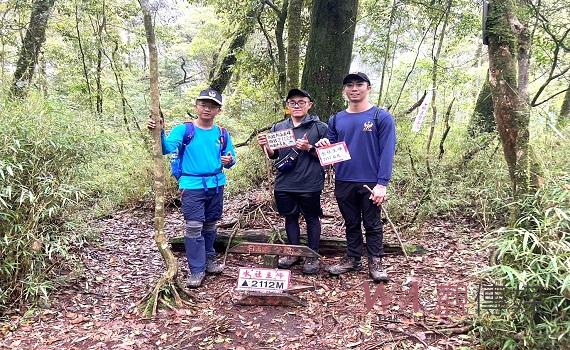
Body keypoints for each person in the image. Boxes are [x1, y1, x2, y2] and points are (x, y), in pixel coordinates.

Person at [147, 88, 236, 288]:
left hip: (216, 184)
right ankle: (197, 269)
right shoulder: (184, 129)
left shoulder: (222, 133)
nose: (207, 109)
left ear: (218, 110)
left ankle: (209, 259)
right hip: (192, 185)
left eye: (212, 106)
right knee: (194, 227)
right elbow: (165, 148)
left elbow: (231, 158)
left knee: (211, 224)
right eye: (204, 105)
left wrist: (229, 160)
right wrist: (159, 131)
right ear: (196, 107)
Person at [315, 72, 396, 282]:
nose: (354, 88)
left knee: (372, 223)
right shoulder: (336, 118)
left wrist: (382, 184)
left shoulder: (381, 117)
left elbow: (387, 151)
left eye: (359, 84)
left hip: (370, 181)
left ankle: (376, 261)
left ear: (368, 87)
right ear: (344, 91)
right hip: (344, 179)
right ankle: (352, 258)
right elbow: (330, 146)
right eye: (349, 85)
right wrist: (323, 145)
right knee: (350, 222)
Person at [257, 88, 328, 274]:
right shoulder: (278, 127)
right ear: (287, 106)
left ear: (309, 105)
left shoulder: (320, 127)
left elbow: (328, 156)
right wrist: (266, 146)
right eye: (292, 102)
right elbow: (274, 155)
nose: (297, 105)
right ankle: (293, 252)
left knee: (312, 218)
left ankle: (312, 256)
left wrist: (309, 147)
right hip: (284, 182)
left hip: (310, 182)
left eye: (301, 102)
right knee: (290, 217)